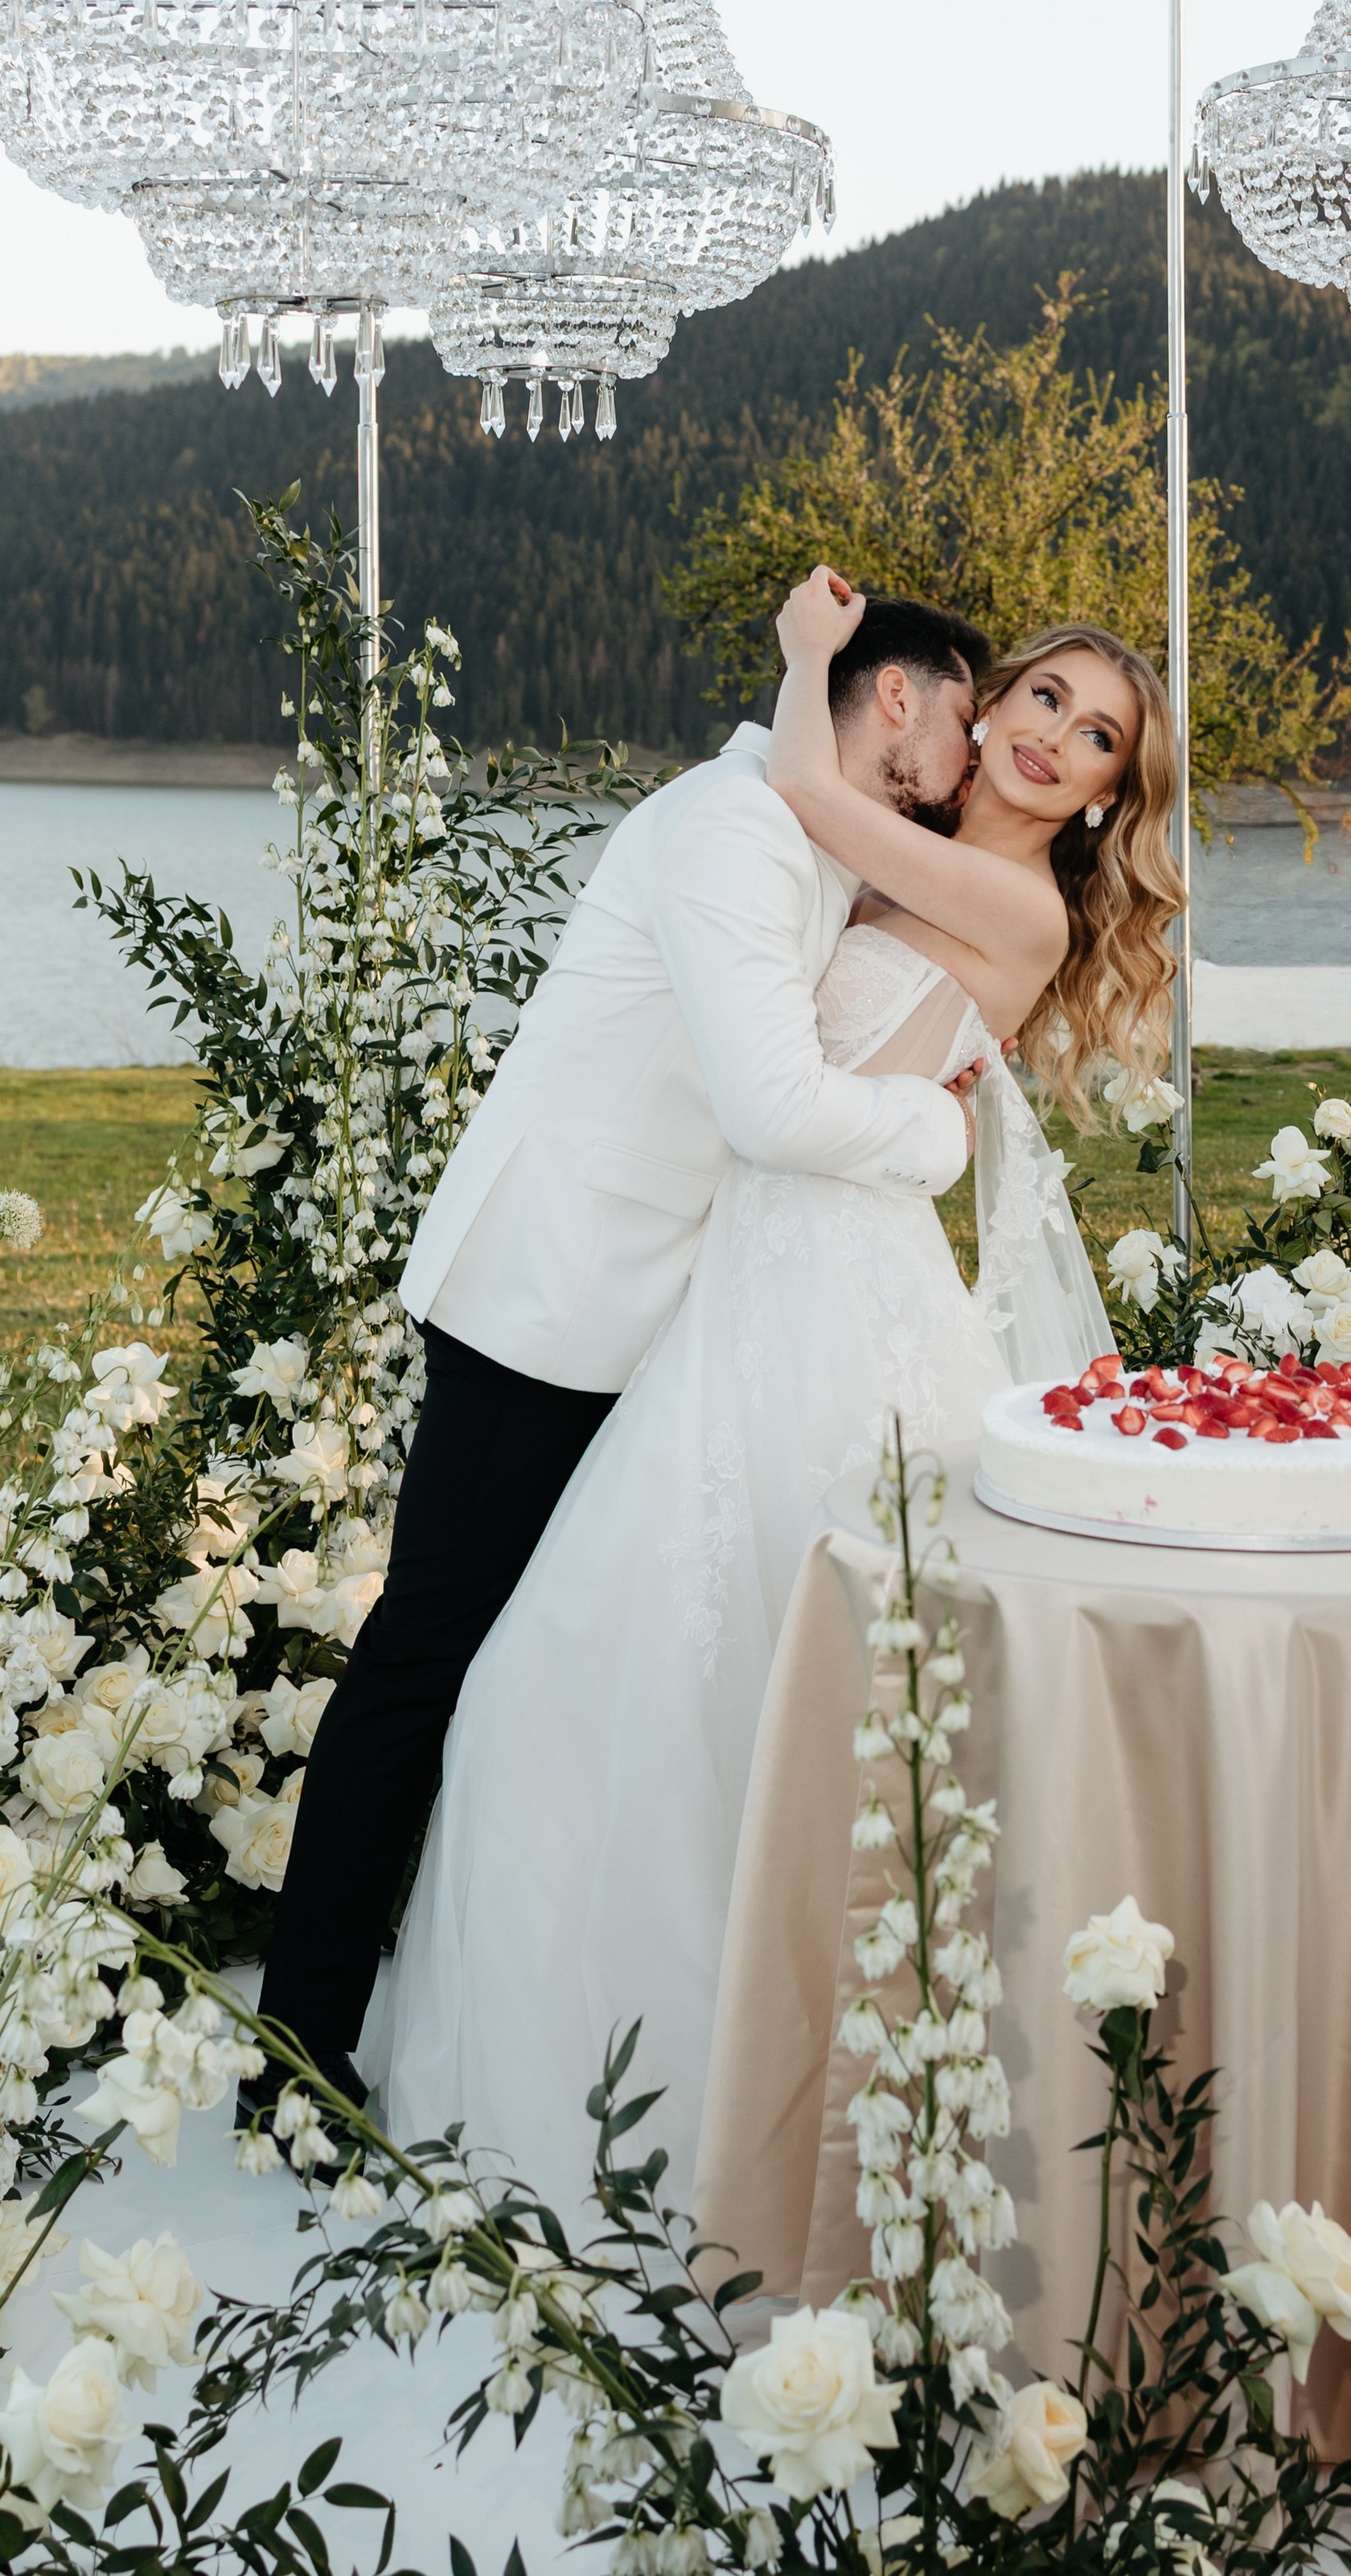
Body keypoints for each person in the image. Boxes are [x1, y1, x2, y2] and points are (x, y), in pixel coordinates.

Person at [368, 572, 1186, 2207]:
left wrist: (815, 654)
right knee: (587, 1675)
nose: (1049, 740)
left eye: (1095, 739)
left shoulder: (1007, 905)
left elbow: (803, 787)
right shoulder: (887, 857)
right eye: (1036, 701)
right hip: (727, 1279)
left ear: (1108, 799)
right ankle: (601, 2080)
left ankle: (783, 2110)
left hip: (841, 1290)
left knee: (783, 1679)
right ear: (979, 710)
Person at [254, 594, 992, 2110]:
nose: (983, 748)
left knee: (548, 1673)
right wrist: (940, 1128)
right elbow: (772, 1111)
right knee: (432, 1658)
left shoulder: (803, 826)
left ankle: (501, 2004)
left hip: (660, 1313)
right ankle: (297, 2053)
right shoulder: (735, 833)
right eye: (970, 711)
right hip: (556, 1295)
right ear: (902, 701)